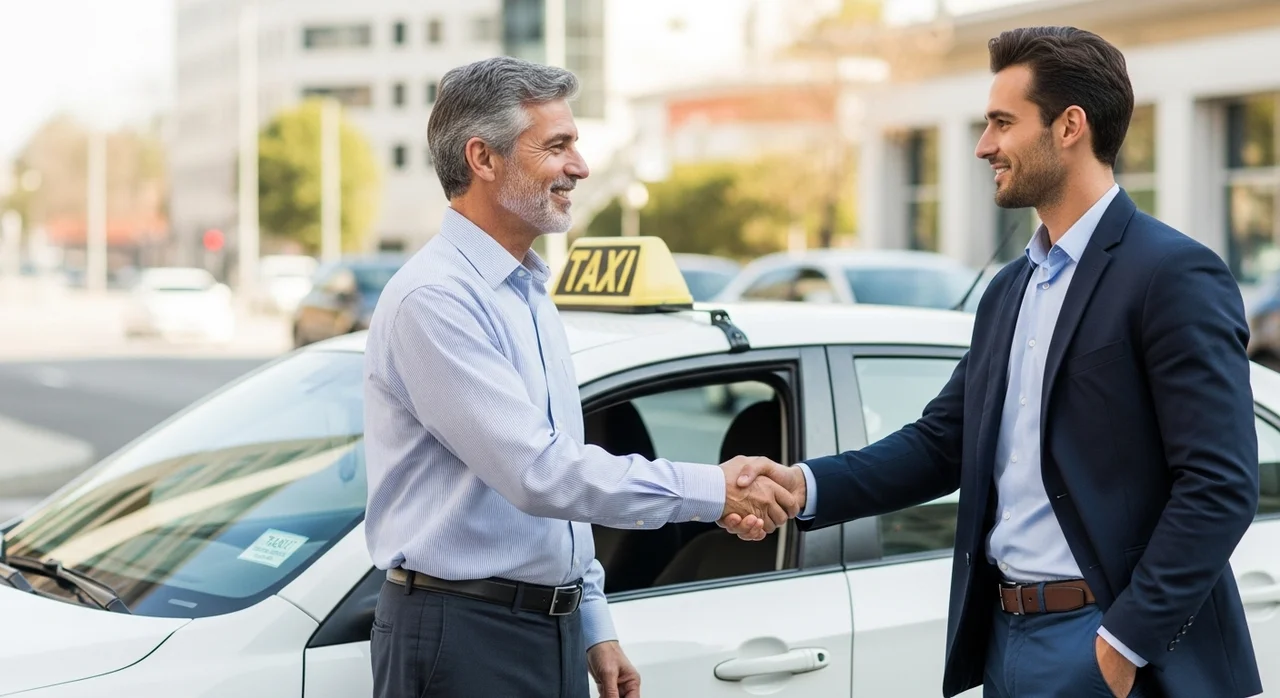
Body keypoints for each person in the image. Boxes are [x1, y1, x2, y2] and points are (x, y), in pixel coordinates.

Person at [723, 26, 1262, 698]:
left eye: (1002, 123)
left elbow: (1220, 482)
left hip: (1110, 646)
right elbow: (940, 443)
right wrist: (801, 486)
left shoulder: (1172, 273)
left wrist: (1125, 642)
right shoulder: (1011, 289)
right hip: (1005, 641)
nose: (984, 146)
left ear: (1070, 127)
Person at [361, 56, 798, 698]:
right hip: (465, 637)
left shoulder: (528, 287)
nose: (581, 166)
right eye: (557, 145)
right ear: (483, 158)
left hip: (542, 629)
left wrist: (590, 619)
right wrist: (715, 489)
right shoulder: (436, 300)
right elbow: (541, 474)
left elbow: (560, 479)